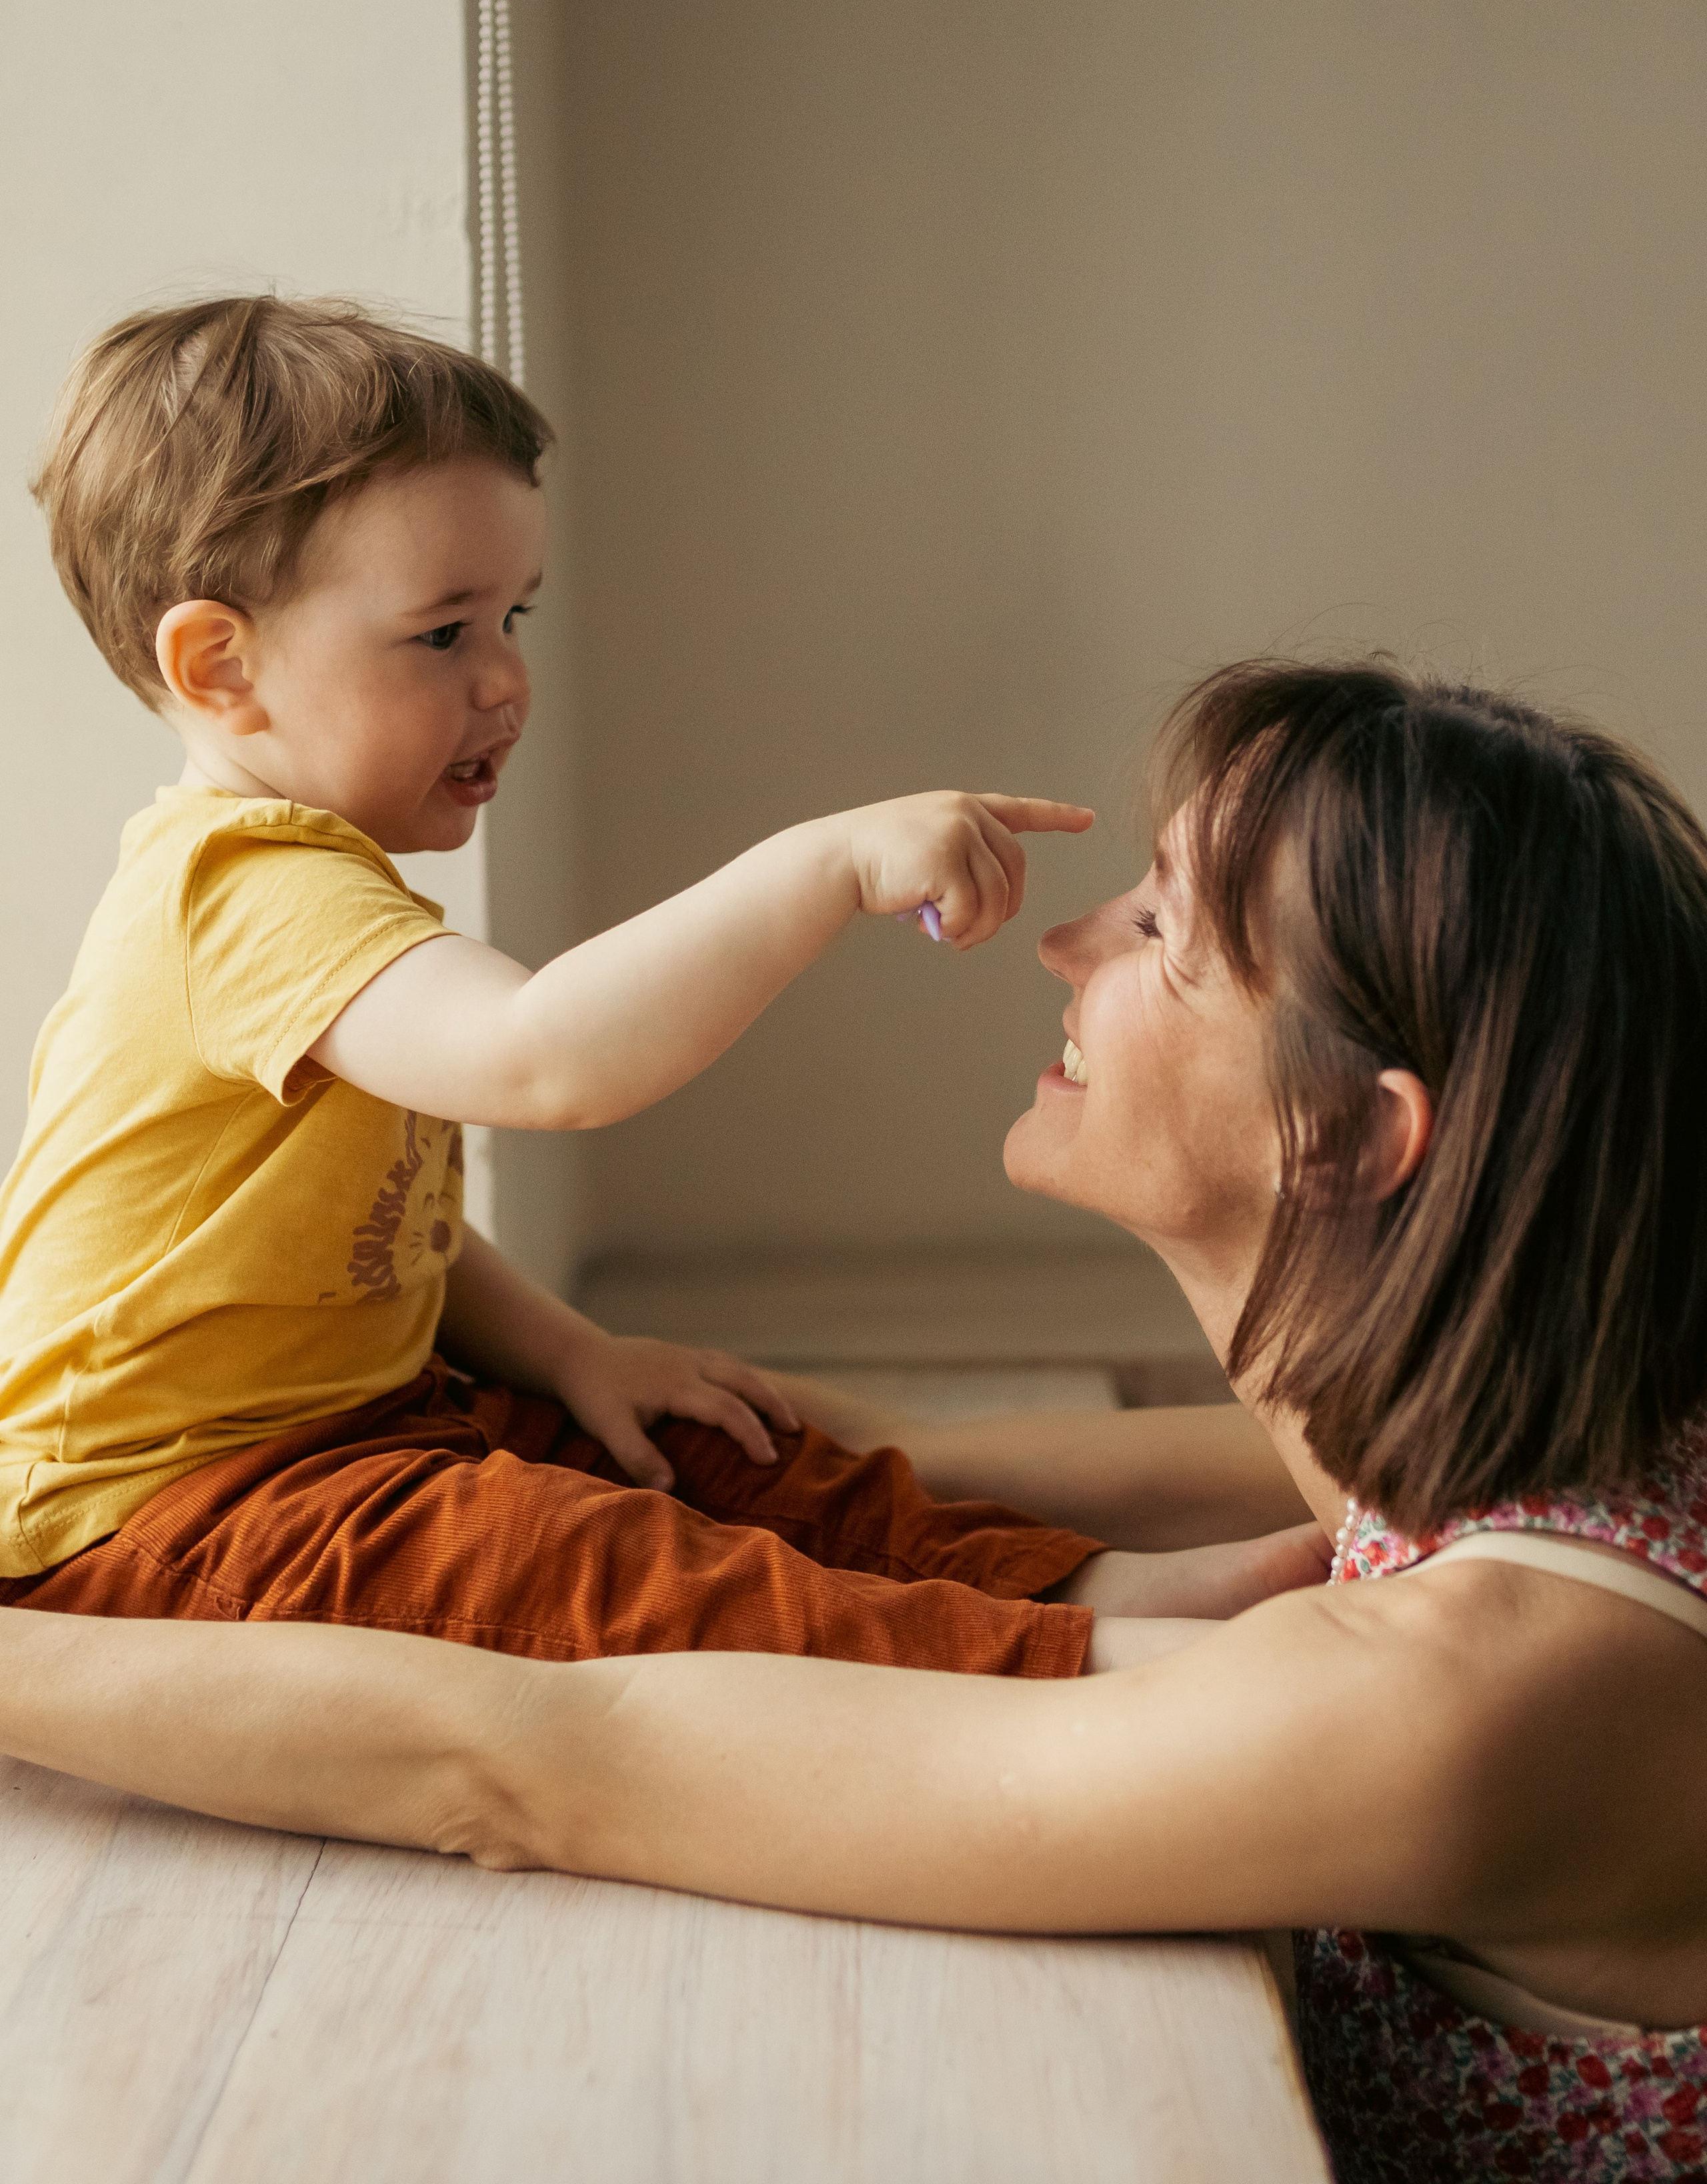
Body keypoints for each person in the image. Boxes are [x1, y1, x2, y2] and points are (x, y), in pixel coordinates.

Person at [5, 655, 1705, 2184]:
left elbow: (544, 1764)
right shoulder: (1537, 1445)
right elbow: (899, 1454)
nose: (1062, 943)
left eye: (1156, 934)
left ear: (1343, 1137)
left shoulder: (1465, 1703)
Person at [0, 296, 1316, 1689]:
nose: (506, 680)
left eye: (511, 617)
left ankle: (1079, 1583)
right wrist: (821, 866)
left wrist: (575, 1352)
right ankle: (1087, 1659)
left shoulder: (309, 884)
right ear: (221, 667)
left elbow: (388, 1233)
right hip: (159, 1515)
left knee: (692, 1438)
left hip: (359, 1426)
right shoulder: (242, 893)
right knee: (585, 1565)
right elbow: (546, 1060)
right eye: (441, 635)